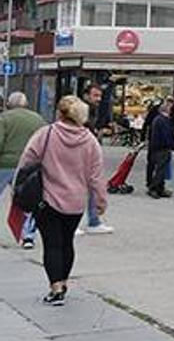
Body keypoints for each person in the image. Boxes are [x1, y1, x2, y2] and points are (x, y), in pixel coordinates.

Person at [14, 96, 105, 306]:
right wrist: (100, 200)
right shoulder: (90, 140)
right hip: (76, 202)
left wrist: (18, 188)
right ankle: (63, 282)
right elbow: (96, 175)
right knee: (67, 243)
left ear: (59, 113)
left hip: (47, 200)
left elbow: (27, 161)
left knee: (52, 244)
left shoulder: (46, 135)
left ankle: (55, 289)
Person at [0, 92, 45, 250]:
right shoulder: (38, 119)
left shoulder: (4, 119)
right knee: (29, 200)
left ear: (9, 104)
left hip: (5, 164)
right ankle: (28, 237)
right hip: (29, 167)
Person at [79, 83, 114, 234]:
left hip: (89, 153)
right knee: (78, 187)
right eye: (95, 95)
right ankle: (77, 222)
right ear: (86, 95)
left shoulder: (93, 110)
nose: (98, 99)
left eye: (100, 96)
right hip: (80, 154)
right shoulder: (81, 110)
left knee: (92, 186)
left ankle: (94, 220)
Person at [146, 99, 174, 198]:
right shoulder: (162, 120)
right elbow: (166, 136)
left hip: (158, 148)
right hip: (161, 148)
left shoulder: (160, 119)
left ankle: (160, 188)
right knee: (160, 169)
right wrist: (173, 145)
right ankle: (154, 188)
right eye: (169, 108)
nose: (171, 109)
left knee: (162, 169)